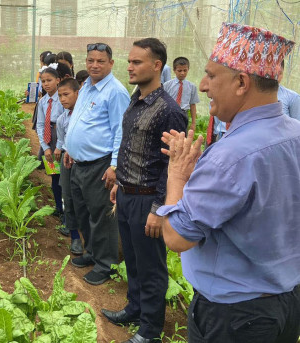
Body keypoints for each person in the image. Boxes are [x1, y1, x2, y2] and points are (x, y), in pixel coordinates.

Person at [157, 23, 300, 343]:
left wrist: (178, 176)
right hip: (287, 304)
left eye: (211, 75)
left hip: (235, 318)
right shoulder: (295, 135)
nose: (203, 86)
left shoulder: (230, 156)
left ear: (241, 82)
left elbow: (178, 237)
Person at [102, 38, 188, 343]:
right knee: (134, 261)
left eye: (137, 62)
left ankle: (150, 330)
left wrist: (159, 209)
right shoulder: (135, 100)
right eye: (129, 61)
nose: (130, 67)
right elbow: (129, 148)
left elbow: (171, 166)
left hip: (148, 201)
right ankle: (134, 309)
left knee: (152, 266)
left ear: (156, 65)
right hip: (126, 195)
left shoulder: (170, 111)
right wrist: (121, 184)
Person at [65, 42, 130, 285]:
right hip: (79, 164)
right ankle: (92, 253)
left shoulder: (115, 92)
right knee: (84, 213)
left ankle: (106, 264)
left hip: (99, 165)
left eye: (100, 61)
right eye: (91, 60)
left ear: (111, 64)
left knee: (102, 217)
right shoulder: (87, 87)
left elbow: (121, 132)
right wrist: (71, 148)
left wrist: (114, 165)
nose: (94, 65)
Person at [54, 78, 83, 255]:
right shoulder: (61, 119)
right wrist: (60, 149)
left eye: (66, 94)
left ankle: (90, 238)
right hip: (67, 161)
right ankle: (75, 238)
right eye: (60, 96)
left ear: (77, 94)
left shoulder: (86, 116)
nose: (63, 99)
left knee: (85, 201)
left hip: (83, 161)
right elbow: (62, 139)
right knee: (68, 199)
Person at [36, 66, 65, 225]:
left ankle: (67, 211)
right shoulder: (42, 101)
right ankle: (58, 208)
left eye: (49, 80)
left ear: (58, 80)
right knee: (54, 176)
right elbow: (40, 125)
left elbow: (67, 124)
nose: (46, 84)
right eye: (43, 81)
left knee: (65, 177)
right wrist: (45, 147)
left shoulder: (63, 99)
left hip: (62, 139)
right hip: (49, 138)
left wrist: (59, 146)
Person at [164, 57, 200, 129]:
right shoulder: (167, 85)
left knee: (182, 135)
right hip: (170, 113)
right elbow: (162, 102)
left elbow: (192, 105)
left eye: (185, 70)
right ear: (174, 70)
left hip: (183, 114)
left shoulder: (192, 87)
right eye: (179, 70)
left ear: (188, 70)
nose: (182, 73)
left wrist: (193, 123)